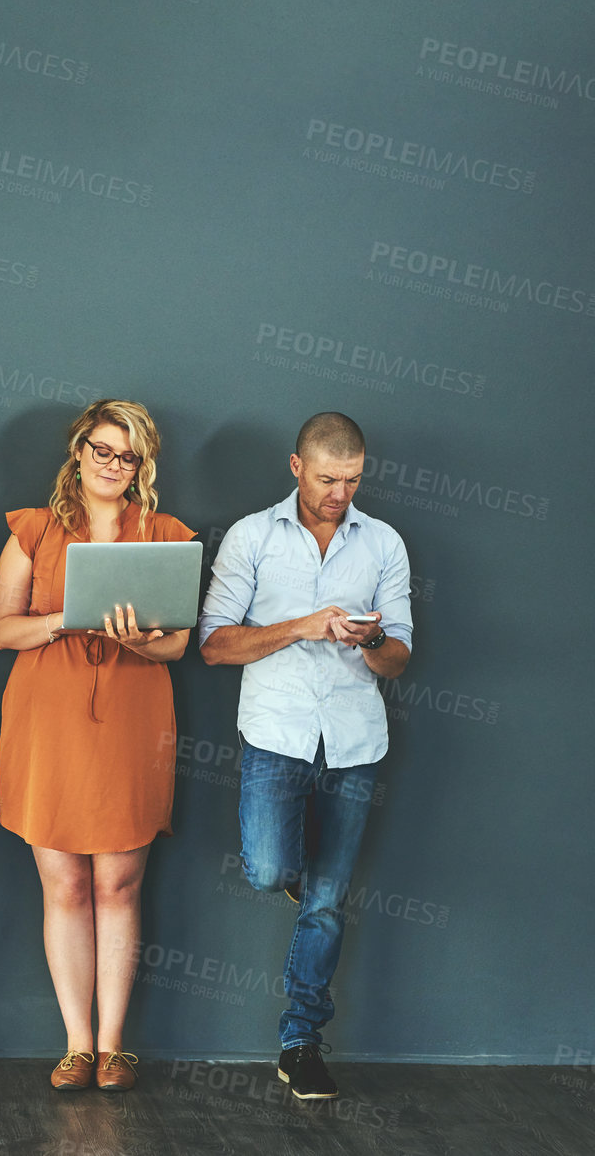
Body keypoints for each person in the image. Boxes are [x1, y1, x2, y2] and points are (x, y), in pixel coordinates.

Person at [198, 411, 412, 1101]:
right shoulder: (252, 537)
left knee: (325, 905)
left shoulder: (383, 544)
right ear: (297, 467)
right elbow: (214, 643)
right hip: (277, 736)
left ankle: (301, 1042)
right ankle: (296, 870)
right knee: (268, 870)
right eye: (327, 478)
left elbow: (402, 657)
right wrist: (303, 626)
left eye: (351, 480)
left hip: (354, 741)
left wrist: (369, 642)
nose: (339, 493)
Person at [0, 400, 194, 1093]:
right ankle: (76, 1044)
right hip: (49, 717)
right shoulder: (36, 528)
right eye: (102, 450)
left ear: (143, 466)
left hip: (135, 716)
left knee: (118, 882)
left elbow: (178, 644)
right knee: (65, 883)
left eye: (127, 456)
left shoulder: (165, 533)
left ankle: (113, 1047)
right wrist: (61, 619)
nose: (112, 465)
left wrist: (139, 638)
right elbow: (1, 630)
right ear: (78, 452)